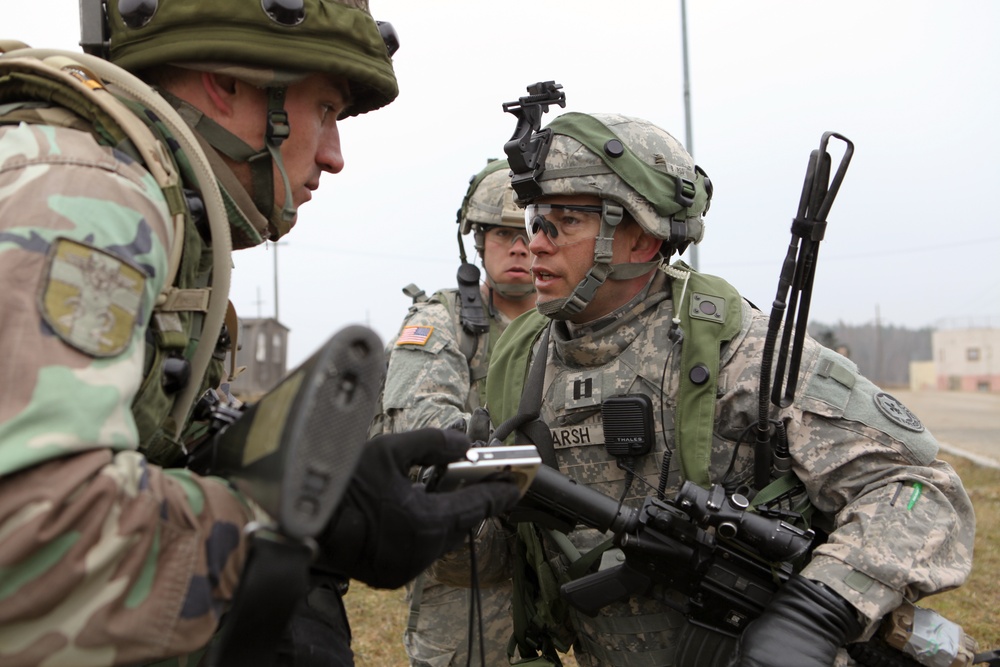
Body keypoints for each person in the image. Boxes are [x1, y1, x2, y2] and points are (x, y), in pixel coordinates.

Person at [0, 2, 520, 666]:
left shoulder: (123, 189)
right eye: (326, 111)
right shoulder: (85, 195)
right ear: (230, 80)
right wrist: (287, 525)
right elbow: (33, 542)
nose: (333, 156)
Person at [459, 111, 975, 667]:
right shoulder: (523, 359)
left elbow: (919, 489)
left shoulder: (738, 350)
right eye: (535, 220)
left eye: (562, 222)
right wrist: (447, 517)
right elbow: (494, 559)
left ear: (639, 236)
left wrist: (818, 609)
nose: (535, 244)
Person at [369, 159, 536, 666]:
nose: (522, 246)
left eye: (534, 229)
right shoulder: (442, 322)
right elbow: (418, 424)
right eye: (503, 233)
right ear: (478, 242)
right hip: (473, 558)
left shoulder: (575, 325)